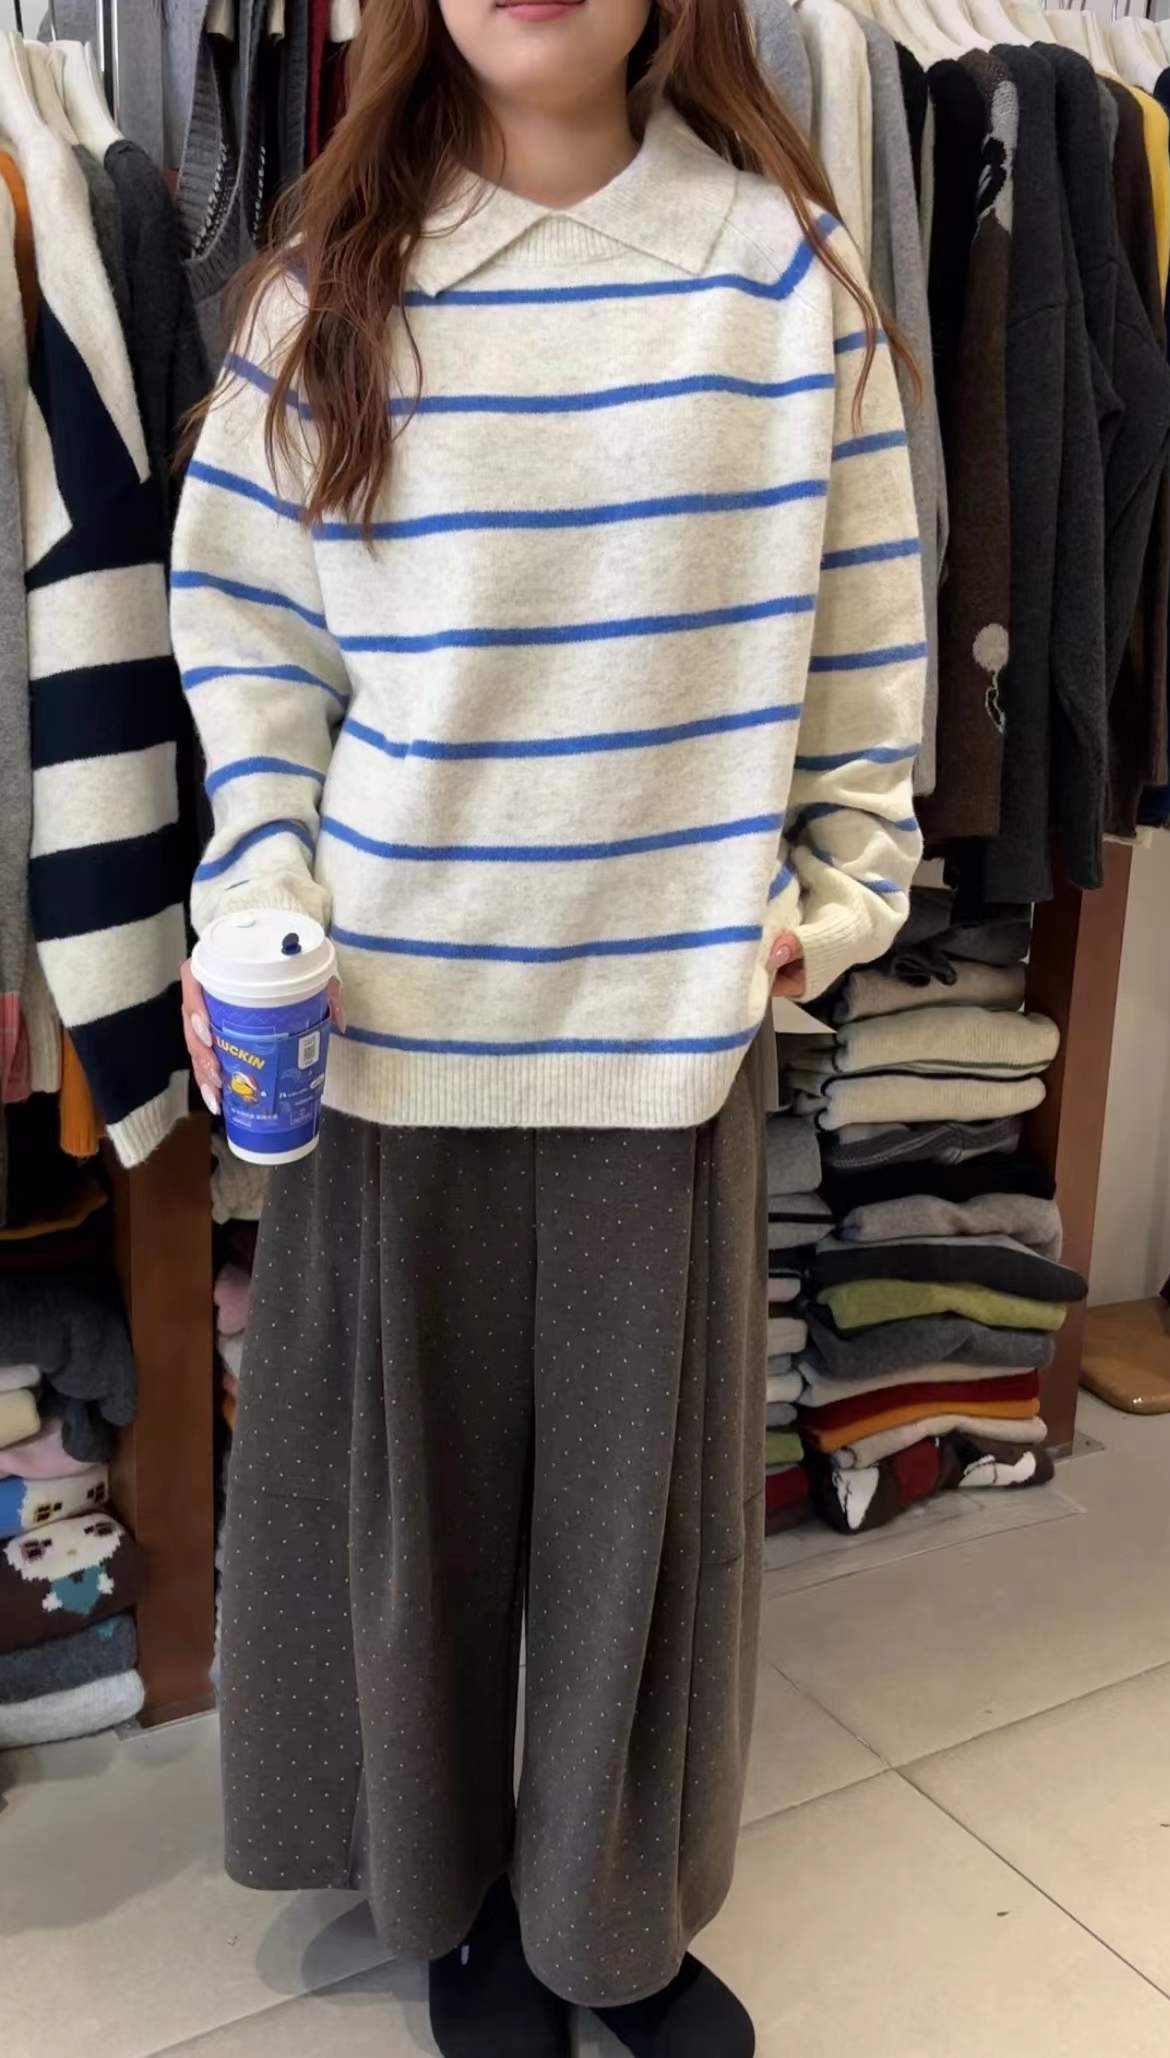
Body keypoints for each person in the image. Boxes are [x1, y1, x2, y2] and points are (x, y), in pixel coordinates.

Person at [173, 2, 925, 2051]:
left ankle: (609, 1917)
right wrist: (254, 908)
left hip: (661, 1038)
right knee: (409, 1525)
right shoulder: (326, 290)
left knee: (636, 1541)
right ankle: (451, 1905)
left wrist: (833, 900)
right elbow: (253, 660)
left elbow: (867, 642)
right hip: (391, 1029)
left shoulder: (782, 275)